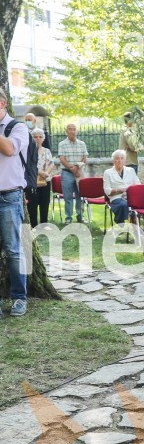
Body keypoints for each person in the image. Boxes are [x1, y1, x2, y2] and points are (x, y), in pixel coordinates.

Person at [0, 88, 29, 317]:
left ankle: (19, 298)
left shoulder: (17, 128)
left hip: (9, 196)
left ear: (2, 103)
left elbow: (9, 149)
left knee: (14, 251)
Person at [58, 123, 88, 224]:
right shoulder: (62, 144)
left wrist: (77, 168)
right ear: (66, 131)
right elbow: (62, 159)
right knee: (68, 197)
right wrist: (71, 168)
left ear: (77, 131)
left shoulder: (82, 144)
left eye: (74, 129)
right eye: (70, 129)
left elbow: (85, 158)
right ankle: (68, 217)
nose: (72, 131)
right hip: (67, 173)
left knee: (80, 195)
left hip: (80, 173)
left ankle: (80, 215)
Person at [26, 128, 55, 226]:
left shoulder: (47, 151)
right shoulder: (28, 150)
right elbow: (28, 165)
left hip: (45, 181)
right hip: (33, 181)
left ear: (43, 139)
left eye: (40, 137)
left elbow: (51, 163)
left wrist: (46, 173)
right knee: (32, 204)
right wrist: (40, 172)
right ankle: (33, 224)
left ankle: (44, 224)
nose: (38, 139)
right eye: (35, 137)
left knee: (44, 203)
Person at [103, 149, 140, 225]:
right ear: (113, 161)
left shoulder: (131, 170)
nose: (120, 161)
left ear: (125, 160)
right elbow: (107, 190)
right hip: (116, 197)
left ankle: (139, 222)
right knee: (123, 204)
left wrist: (129, 192)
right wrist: (120, 190)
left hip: (130, 196)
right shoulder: (108, 172)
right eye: (117, 158)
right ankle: (120, 221)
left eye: (122, 158)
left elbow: (138, 185)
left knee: (141, 204)